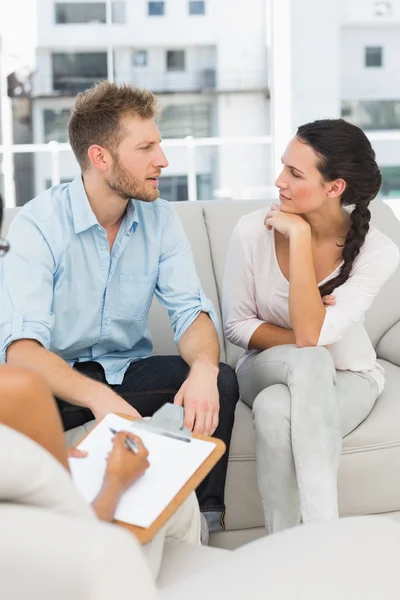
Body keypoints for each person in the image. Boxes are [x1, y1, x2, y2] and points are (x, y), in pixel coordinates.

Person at [0, 81, 239, 534]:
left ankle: (206, 523)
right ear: (100, 157)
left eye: (160, 145)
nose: (163, 160)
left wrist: (205, 368)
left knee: (221, 380)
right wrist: (99, 400)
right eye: (146, 147)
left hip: (122, 372)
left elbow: (192, 314)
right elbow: (23, 353)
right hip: (52, 386)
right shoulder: (38, 224)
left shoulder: (161, 219)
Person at [0, 197, 200, 580]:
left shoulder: (157, 220)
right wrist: (118, 477)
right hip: (53, 571)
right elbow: (80, 542)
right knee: (174, 497)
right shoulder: (18, 388)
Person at [222, 118, 400, 533]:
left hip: (350, 375)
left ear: (334, 188)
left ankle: (283, 547)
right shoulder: (252, 231)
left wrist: (299, 240)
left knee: (273, 411)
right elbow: (238, 326)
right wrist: (313, 339)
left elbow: (313, 335)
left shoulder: (379, 250)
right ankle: (324, 537)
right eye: (283, 166)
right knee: (310, 362)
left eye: (295, 173)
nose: (279, 181)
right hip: (265, 366)